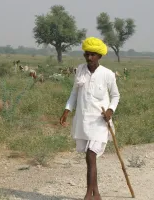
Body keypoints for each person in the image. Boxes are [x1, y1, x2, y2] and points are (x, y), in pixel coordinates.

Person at [60, 37, 120, 200]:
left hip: (100, 122)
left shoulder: (107, 74)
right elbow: (74, 93)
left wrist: (110, 110)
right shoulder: (80, 70)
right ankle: (97, 194)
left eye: (93, 55)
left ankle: (88, 194)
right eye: (87, 54)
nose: (89, 58)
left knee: (90, 155)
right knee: (89, 157)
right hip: (83, 121)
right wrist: (67, 109)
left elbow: (115, 96)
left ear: (99, 56)